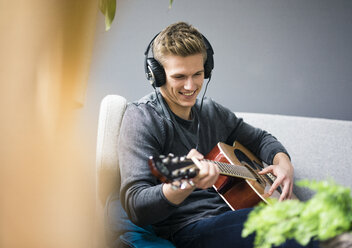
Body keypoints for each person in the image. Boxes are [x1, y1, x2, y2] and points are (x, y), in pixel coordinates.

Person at [117, 21, 317, 248]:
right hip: (191, 228)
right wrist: (186, 182)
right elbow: (136, 206)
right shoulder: (142, 118)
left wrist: (284, 164)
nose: (191, 86)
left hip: (233, 215)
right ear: (157, 75)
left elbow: (262, 139)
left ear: (207, 69)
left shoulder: (212, 112)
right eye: (179, 76)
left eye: (198, 74)